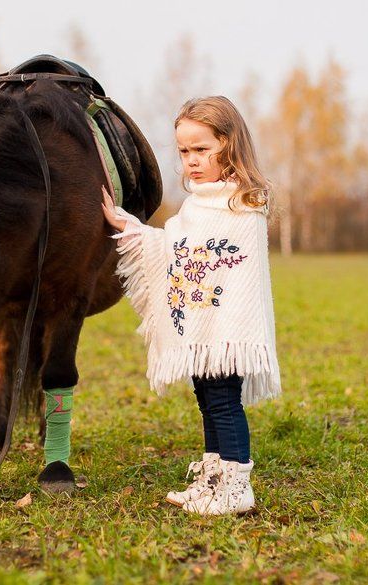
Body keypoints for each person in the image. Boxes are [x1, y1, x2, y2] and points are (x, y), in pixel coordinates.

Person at [100, 95, 280, 516]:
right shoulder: (198, 202)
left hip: (226, 330)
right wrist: (131, 226)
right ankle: (213, 479)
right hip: (201, 328)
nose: (192, 161)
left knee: (223, 402)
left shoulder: (242, 203)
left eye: (202, 149)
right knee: (207, 399)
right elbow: (178, 247)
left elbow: (233, 269)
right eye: (184, 151)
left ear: (228, 146)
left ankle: (237, 488)